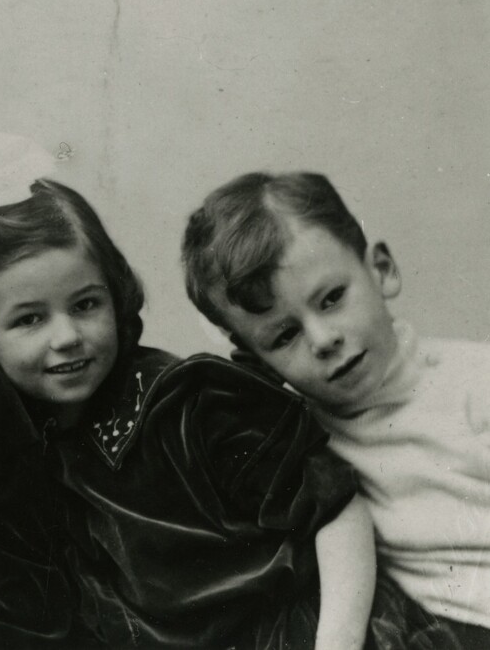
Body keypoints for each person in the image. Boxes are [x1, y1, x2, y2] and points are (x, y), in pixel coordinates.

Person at [0, 134, 414, 649]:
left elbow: (335, 507)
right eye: (30, 319)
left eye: (86, 304)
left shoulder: (190, 403)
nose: (66, 337)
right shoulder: (22, 457)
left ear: (116, 293)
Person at [182, 170, 490, 649]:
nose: (324, 340)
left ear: (381, 269)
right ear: (253, 360)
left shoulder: (473, 385)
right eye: (284, 337)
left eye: (332, 299)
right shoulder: (299, 439)